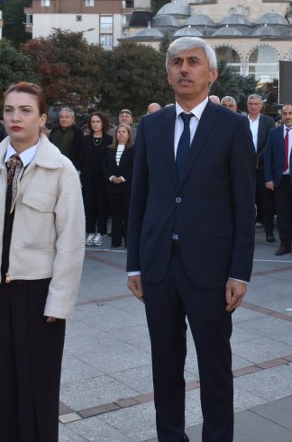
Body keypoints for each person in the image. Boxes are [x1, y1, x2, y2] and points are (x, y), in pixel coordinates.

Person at [127, 37, 255, 442]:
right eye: (177, 62)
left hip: (211, 270)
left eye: (194, 62)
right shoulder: (151, 126)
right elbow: (139, 198)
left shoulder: (233, 127)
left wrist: (239, 271)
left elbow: (244, 205)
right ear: (168, 73)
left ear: (211, 74)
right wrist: (134, 264)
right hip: (159, 266)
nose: (184, 68)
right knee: (165, 366)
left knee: (214, 368)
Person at [0, 82, 85, 442]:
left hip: (38, 295)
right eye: (9, 109)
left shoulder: (62, 170)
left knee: (37, 387)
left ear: (42, 119)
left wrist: (60, 301)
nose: (16, 117)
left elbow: (71, 242)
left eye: (26, 110)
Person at [264, 103, 292, 256]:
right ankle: (285, 243)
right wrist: (268, 178)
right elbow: (268, 157)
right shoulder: (274, 133)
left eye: (290, 113)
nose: (288, 116)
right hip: (279, 181)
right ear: (282, 116)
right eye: (285, 114)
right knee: (282, 214)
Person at [80, 112, 112, 246]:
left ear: (103, 123)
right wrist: (79, 175)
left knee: (102, 206)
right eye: (93, 122)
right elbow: (81, 158)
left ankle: (101, 233)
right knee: (89, 207)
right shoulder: (85, 139)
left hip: (103, 179)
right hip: (88, 178)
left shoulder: (109, 139)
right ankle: (90, 232)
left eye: (98, 121)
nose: (95, 124)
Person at [247, 93, 276, 242]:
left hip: (263, 166)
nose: (253, 106)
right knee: (247, 201)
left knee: (266, 201)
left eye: (256, 103)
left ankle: (269, 231)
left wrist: (258, 157)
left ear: (261, 105)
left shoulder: (268, 121)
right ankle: (246, 233)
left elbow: (270, 142)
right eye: (251, 103)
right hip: (245, 167)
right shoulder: (240, 121)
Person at [103, 124, 134, 248]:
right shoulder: (109, 149)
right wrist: (111, 177)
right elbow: (104, 165)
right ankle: (115, 241)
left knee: (127, 216)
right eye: (119, 131)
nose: (121, 133)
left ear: (129, 135)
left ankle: (128, 241)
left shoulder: (134, 149)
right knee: (115, 216)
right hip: (112, 187)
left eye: (124, 131)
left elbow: (135, 166)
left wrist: (123, 178)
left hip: (127, 187)